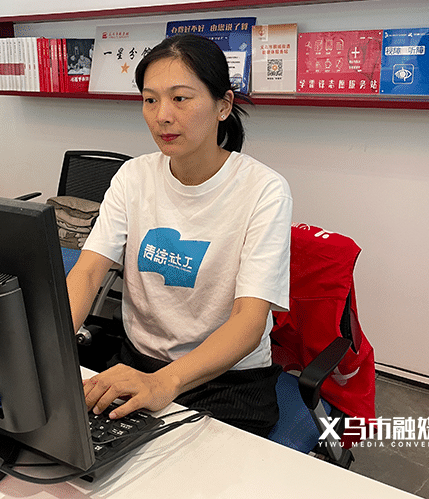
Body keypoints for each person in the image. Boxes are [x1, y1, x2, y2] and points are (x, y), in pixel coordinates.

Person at [66, 33, 293, 437]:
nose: (162, 116)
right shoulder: (134, 176)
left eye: (180, 98)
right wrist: (46, 350)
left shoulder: (263, 190)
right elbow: (87, 272)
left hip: (226, 379)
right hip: (138, 363)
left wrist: (164, 383)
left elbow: (249, 321)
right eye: (150, 100)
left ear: (223, 105)